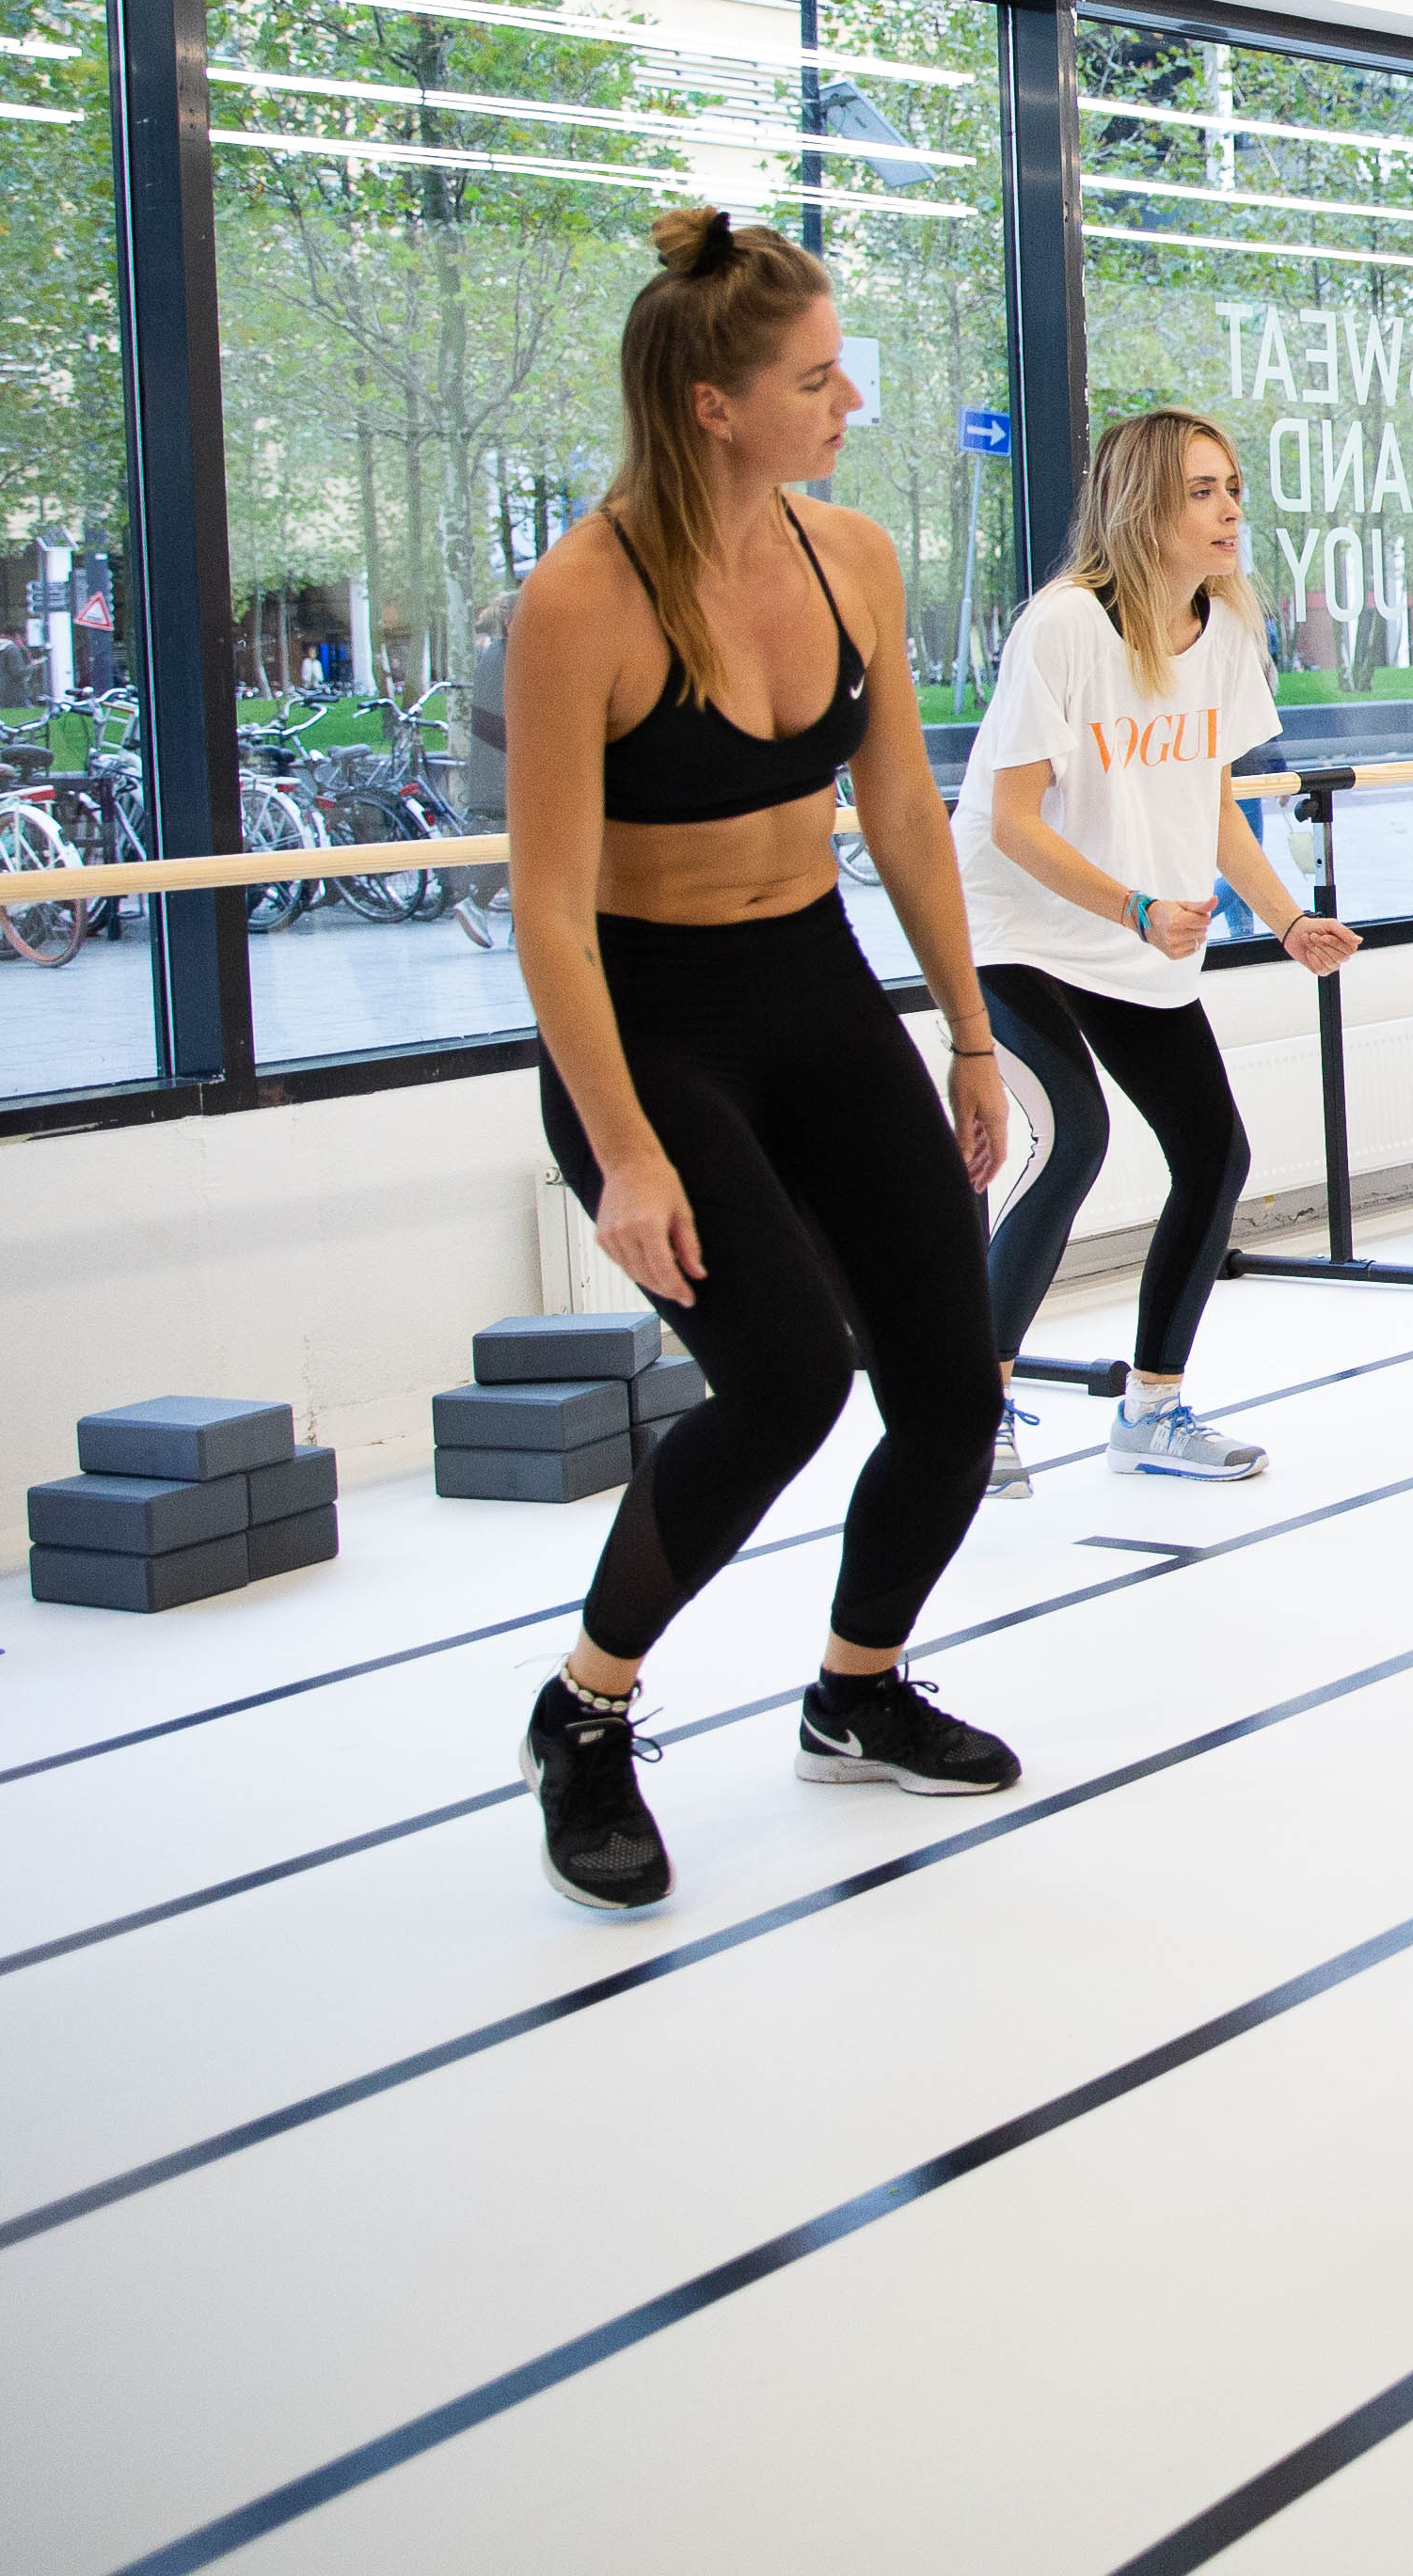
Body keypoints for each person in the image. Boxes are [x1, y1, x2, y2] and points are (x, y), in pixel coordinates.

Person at [500, 208, 1022, 1919]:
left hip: (814, 992)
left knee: (953, 1384)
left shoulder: (848, 555)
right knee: (788, 1377)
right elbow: (555, 918)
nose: (847, 398)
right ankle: (586, 1711)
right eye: (815, 377)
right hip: (652, 1029)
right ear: (716, 405)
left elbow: (899, 824)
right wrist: (626, 1152)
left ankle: (856, 1688)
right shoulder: (585, 600)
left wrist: (966, 1032)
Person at [954, 405, 1357, 1498]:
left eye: (1233, 488)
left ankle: (1152, 1412)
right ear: (1143, 506)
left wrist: (1282, 919)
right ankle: (970, 1420)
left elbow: (1209, 797)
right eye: (1202, 491)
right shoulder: (1065, 628)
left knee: (1213, 1156)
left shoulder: (1222, 628)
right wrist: (1134, 907)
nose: (1230, 510)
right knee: (1073, 1140)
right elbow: (1011, 823)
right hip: (1023, 927)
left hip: (1132, 935)